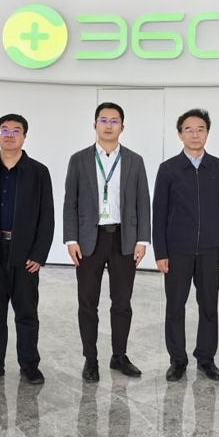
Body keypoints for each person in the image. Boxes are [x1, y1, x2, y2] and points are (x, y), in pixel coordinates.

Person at [63, 102, 151, 382]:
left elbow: (143, 201)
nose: (109, 125)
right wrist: (71, 238)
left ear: (122, 127)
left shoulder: (135, 160)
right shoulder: (79, 159)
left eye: (114, 121)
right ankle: (90, 359)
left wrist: (142, 239)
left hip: (124, 239)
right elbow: (70, 201)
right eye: (103, 120)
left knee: (122, 302)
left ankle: (119, 356)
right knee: (87, 302)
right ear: (95, 125)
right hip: (89, 240)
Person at [0, 114, 54, 386]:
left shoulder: (39, 172)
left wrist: (39, 254)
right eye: (4, 130)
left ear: (24, 137)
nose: (9, 135)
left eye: (16, 130)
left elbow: (47, 216)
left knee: (26, 313)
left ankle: (29, 365)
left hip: (25, 254)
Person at [152, 109, 219, 382]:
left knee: (209, 306)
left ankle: (206, 359)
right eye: (189, 129)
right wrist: (161, 252)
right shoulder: (168, 169)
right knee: (175, 307)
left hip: (212, 250)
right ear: (180, 134)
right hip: (177, 250)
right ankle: (177, 360)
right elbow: (159, 213)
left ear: (207, 133)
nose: (195, 134)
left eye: (200, 129)